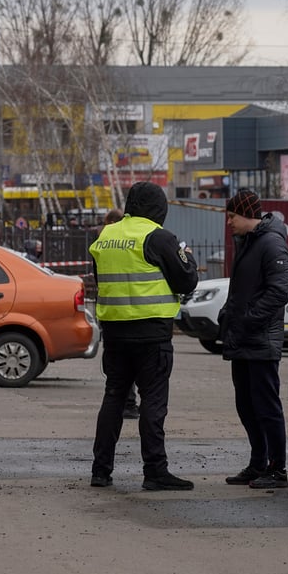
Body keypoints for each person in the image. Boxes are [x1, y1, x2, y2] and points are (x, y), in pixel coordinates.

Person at [88, 181, 199, 491]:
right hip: (152, 335)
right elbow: (187, 280)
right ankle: (155, 471)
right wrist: (186, 256)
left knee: (114, 398)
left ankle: (101, 471)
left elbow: (101, 278)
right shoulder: (158, 237)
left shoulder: (106, 235)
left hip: (115, 333)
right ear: (158, 208)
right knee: (153, 402)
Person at [217, 189, 288, 489]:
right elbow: (241, 289)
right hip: (243, 340)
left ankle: (277, 468)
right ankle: (258, 462)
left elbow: (278, 291)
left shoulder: (271, 243)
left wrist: (248, 318)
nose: (229, 223)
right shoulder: (248, 243)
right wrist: (228, 313)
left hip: (260, 340)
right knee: (246, 405)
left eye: (232, 216)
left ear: (247, 215)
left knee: (266, 405)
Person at [101, 207, 140, 419]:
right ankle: (131, 404)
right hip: (135, 315)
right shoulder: (134, 241)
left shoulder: (104, 243)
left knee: (117, 374)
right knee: (137, 371)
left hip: (112, 318)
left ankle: (128, 404)